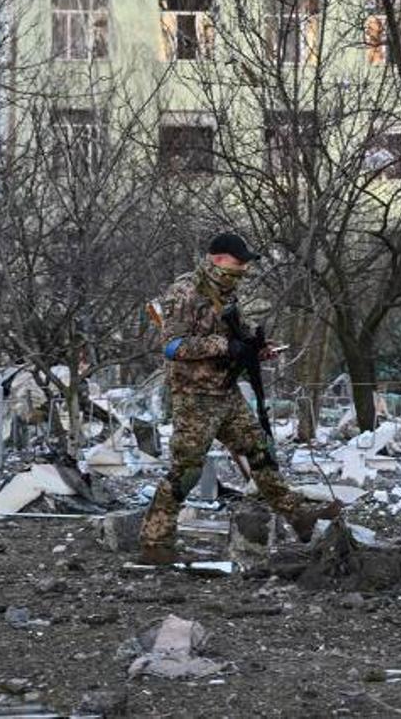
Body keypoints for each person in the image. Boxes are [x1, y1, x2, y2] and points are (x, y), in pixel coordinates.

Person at [139, 232, 338, 564]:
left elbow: (235, 338)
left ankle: (298, 516)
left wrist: (255, 350)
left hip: (226, 391)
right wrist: (224, 346)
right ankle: (154, 543)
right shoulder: (185, 292)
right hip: (195, 397)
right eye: (238, 260)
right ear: (218, 259)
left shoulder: (227, 294)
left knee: (260, 453)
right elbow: (172, 347)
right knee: (185, 471)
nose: (244, 267)